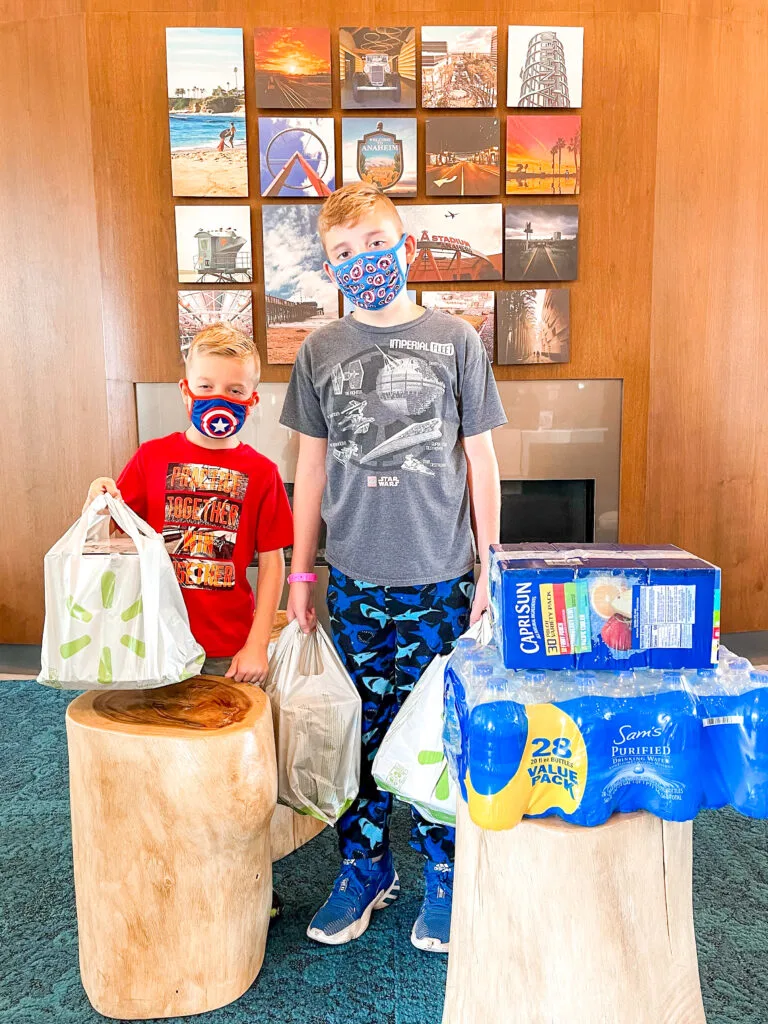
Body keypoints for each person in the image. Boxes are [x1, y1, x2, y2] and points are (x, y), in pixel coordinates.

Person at [280, 181, 506, 953]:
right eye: (344, 252)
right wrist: (301, 577)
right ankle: (366, 866)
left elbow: (480, 460)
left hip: (442, 576)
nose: (363, 259)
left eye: (376, 242)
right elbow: (308, 473)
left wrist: (489, 568)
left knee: (437, 730)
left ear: (404, 242)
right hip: (351, 580)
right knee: (360, 733)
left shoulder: (456, 340)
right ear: (329, 264)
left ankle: (445, 871)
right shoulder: (320, 351)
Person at [83, 322, 293, 686]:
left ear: (252, 401)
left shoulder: (263, 472)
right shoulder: (151, 457)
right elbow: (111, 537)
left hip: (226, 646)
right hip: (151, 636)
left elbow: (273, 562)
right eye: (206, 386)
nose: (219, 398)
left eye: (235, 390)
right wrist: (97, 502)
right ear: (185, 391)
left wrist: (257, 643)